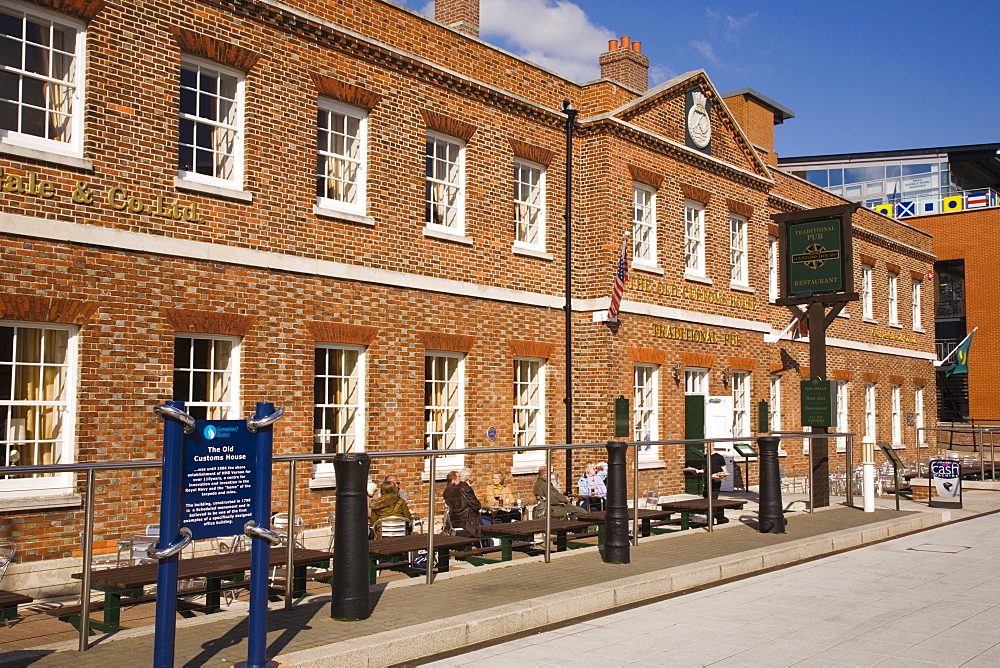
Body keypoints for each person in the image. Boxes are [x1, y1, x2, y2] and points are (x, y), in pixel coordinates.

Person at [684, 452, 730, 524]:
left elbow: (725, 471)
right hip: (707, 481)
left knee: (712, 500)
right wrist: (697, 471)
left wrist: (721, 476)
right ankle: (719, 517)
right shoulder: (705, 457)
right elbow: (705, 470)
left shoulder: (719, 457)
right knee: (706, 497)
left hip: (716, 482)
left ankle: (711, 522)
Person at [443, 469, 482, 537]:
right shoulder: (465, 488)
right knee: (489, 523)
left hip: (454, 520)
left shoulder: (448, 490)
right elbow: (477, 506)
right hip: (467, 522)